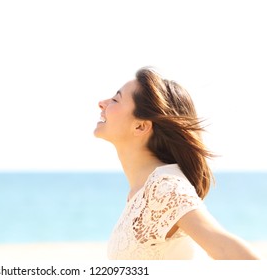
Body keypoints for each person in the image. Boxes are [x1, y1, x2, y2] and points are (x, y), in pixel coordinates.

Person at [94, 66, 261, 260]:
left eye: (115, 100)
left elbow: (225, 248)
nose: (102, 103)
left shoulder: (164, 188)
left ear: (141, 126)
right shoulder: (141, 191)